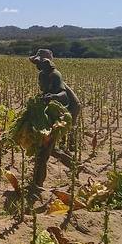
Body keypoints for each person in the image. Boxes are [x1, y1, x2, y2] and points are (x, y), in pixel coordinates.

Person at [28, 49, 81, 189]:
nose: (37, 65)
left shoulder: (55, 75)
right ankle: (74, 165)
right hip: (53, 109)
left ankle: (37, 185)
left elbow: (63, 96)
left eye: (40, 62)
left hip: (66, 110)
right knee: (47, 146)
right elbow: (45, 92)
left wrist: (52, 97)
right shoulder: (42, 75)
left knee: (45, 147)